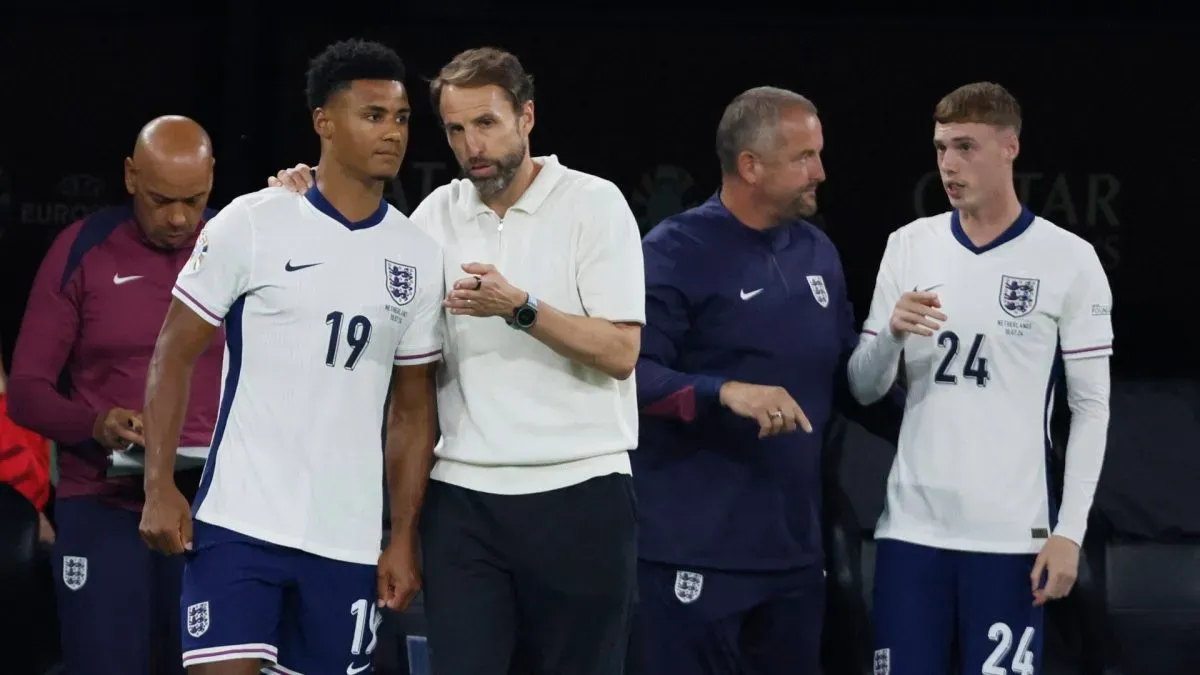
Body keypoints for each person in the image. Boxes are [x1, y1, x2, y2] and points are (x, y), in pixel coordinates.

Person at [269, 46, 644, 675]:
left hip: (581, 491)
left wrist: (520, 307)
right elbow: (354, 282)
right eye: (455, 129)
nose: (473, 145)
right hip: (465, 501)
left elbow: (620, 351)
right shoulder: (433, 217)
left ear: (527, 116)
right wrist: (302, 205)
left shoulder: (594, 204)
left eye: (487, 123)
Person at [137, 39, 442, 675]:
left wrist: (402, 538)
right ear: (323, 121)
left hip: (347, 539)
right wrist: (158, 485)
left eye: (401, 117)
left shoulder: (418, 254)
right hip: (239, 523)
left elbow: (412, 413)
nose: (392, 132)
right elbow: (172, 353)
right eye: (373, 115)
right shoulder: (253, 222)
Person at [633, 86, 902, 675]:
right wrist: (725, 391)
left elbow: (843, 374)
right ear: (750, 166)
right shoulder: (674, 251)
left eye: (818, 154)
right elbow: (631, 376)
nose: (820, 172)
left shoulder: (818, 251)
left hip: (793, 554)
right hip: (694, 548)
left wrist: (932, 420)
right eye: (804, 157)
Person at [847, 82, 1113, 675]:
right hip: (911, 531)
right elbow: (863, 388)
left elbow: (1091, 408)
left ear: (1010, 147)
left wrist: (1069, 532)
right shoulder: (908, 245)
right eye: (941, 148)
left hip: (1010, 538)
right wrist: (890, 334)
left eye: (965, 147)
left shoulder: (1069, 259)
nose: (948, 164)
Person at [7, 115, 222, 675]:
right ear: (130, 176)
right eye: (161, 200)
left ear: (212, 179)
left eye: (194, 200)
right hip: (102, 504)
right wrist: (95, 424)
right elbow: (25, 392)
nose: (179, 219)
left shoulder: (237, 248)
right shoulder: (83, 250)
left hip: (211, 507)